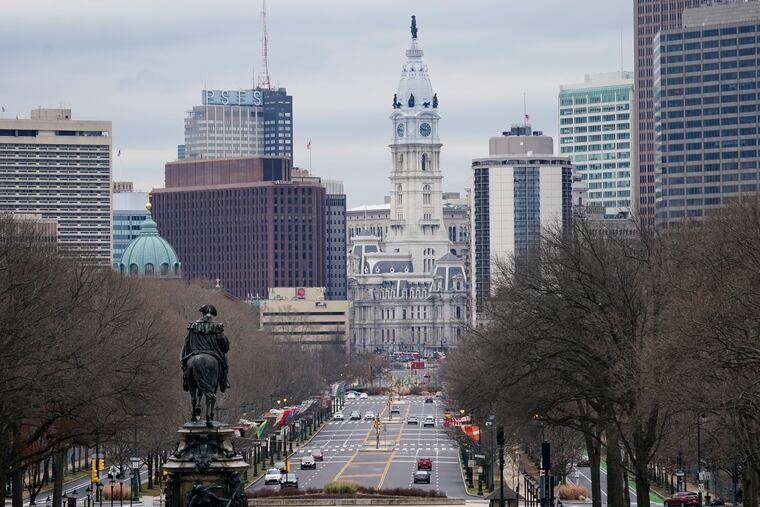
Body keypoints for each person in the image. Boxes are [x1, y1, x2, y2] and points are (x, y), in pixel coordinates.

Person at [181, 305, 230, 392]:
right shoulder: (217, 326)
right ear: (212, 314)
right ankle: (224, 382)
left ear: (203, 314)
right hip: (213, 353)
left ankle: (186, 380)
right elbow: (224, 345)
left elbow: (187, 342)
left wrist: (184, 357)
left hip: (195, 352)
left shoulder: (193, 325)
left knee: (186, 365)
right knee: (224, 364)